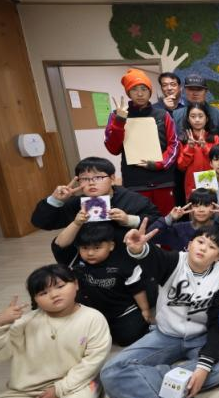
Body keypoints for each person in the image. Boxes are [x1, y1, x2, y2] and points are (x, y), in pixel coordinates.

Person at [101, 223, 219, 398]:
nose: (203, 248)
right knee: (111, 370)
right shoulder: (173, 261)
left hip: (202, 337)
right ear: (190, 243)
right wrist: (138, 249)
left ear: (218, 256)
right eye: (200, 241)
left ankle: (137, 386)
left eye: (212, 247)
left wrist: (203, 367)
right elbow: (153, 257)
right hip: (166, 334)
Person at [0, 265, 111, 398]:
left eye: (60, 286)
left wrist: (58, 390)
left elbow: (93, 360)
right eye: (43, 293)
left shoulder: (93, 318)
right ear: (35, 299)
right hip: (26, 390)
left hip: (76, 384)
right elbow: (0, 355)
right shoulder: (25, 322)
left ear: (76, 284)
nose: (54, 295)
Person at [52, 220, 150, 346]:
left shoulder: (124, 264)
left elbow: (137, 289)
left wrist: (145, 310)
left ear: (111, 246)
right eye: (84, 248)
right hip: (91, 311)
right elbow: (59, 245)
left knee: (128, 338)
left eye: (97, 248)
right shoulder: (76, 262)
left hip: (121, 310)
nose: (90, 253)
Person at [104, 68, 179, 216]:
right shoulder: (117, 115)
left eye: (144, 89)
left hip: (162, 180)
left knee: (167, 219)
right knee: (139, 220)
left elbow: (174, 144)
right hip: (134, 181)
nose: (139, 94)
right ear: (128, 93)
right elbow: (113, 148)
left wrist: (158, 164)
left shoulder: (162, 114)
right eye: (134, 89)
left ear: (150, 91)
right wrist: (120, 121)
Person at [31, 156, 160, 239]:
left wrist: (128, 220)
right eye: (85, 179)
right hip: (87, 257)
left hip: (127, 253)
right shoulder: (76, 203)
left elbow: (158, 224)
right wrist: (55, 200)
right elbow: (42, 223)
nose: (91, 183)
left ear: (112, 179)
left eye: (98, 177)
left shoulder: (133, 199)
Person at [147, 188, 219, 251]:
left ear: (214, 208)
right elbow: (150, 236)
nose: (201, 210)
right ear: (190, 208)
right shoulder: (179, 229)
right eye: (196, 206)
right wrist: (169, 218)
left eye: (206, 205)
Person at [177, 102, 219, 200]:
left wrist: (205, 147)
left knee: (210, 206)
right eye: (193, 116)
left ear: (207, 118)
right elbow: (181, 166)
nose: (197, 120)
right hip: (191, 181)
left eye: (200, 116)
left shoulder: (214, 138)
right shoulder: (183, 139)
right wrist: (189, 148)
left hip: (209, 178)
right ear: (188, 119)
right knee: (194, 207)